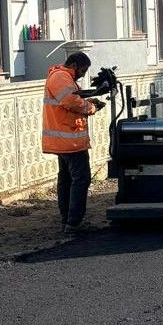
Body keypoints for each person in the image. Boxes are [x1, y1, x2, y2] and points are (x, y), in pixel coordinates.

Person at [41, 50, 104, 234]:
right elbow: (69, 101)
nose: (83, 75)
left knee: (67, 180)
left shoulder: (63, 77)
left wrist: (87, 100)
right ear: (75, 65)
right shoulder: (60, 76)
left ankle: (68, 220)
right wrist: (91, 107)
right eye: (83, 71)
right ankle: (73, 222)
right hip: (69, 141)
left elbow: (70, 100)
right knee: (80, 179)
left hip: (65, 140)